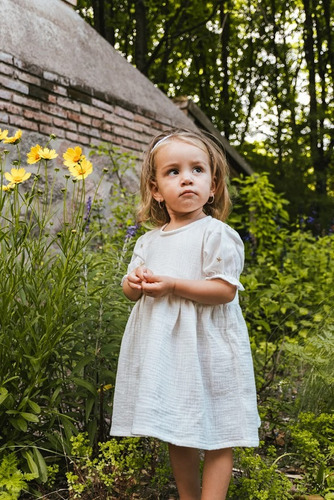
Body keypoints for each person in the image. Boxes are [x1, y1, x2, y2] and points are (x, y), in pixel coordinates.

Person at [110, 128, 260, 500]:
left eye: (197, 170)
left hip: (210, 349)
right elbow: (130, 292)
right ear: (157, 189)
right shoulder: (148, 241)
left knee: (220, 429)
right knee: (178, 427)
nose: (186, 178)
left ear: (213, 186)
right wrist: (136, 281)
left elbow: (224, 291)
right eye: (173, 171)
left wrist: (174, 285)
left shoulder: (217, 234)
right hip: (170, 354)